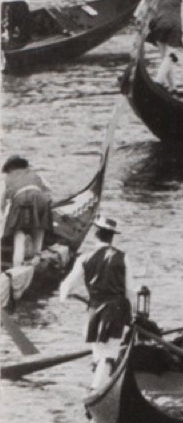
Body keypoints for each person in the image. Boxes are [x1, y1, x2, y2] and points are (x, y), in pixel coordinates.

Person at [63, 216, 134, 364]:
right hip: (116, 310)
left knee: (97, 349)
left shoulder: (84, 258)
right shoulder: (123, 257)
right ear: (112, 237)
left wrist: (65, 296)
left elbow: (67, 285)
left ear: (96, 234)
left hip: (94, 309)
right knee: (112, 350)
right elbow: (130, 290)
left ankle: (98, 373)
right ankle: (107, 371)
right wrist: (132, 314)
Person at [2, 153, 54, 269]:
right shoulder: (35, 174)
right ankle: (36, 258)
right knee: (39, 231)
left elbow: (1, 202)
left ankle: (17, 268)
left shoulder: (7, 179)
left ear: (10, 167)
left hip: (20, 201)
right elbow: (49, 189)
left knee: (19, 236)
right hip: (40, 199)